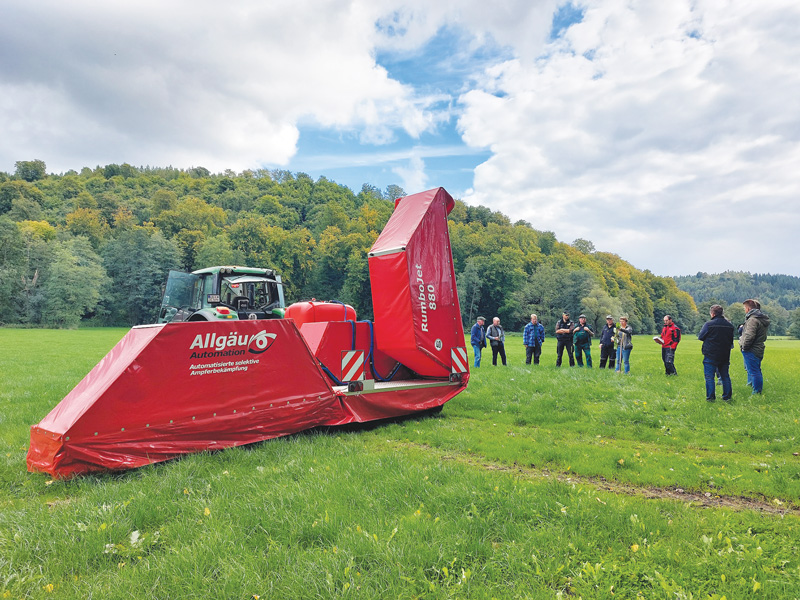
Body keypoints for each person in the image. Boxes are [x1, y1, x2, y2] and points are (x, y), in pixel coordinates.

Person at [697, 305, 734, 402]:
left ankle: (710, 398)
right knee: (725, 376)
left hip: (710, 353)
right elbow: (731, 340)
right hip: (725, 354)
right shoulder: (729, 326)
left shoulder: (709, 324)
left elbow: (701, 336)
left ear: (712, 313)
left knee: (709, 377)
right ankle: (727, 397)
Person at [739, 299, 770, 394]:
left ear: (748, 308)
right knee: (754, 369)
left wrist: (744, 346)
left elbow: (749, 335)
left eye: (744, 308)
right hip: (758, 347)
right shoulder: (760, 318)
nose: (744, 310)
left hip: (751, 349)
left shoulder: (752, 320)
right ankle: (751, 385)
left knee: (754, 371)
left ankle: (756, 392)